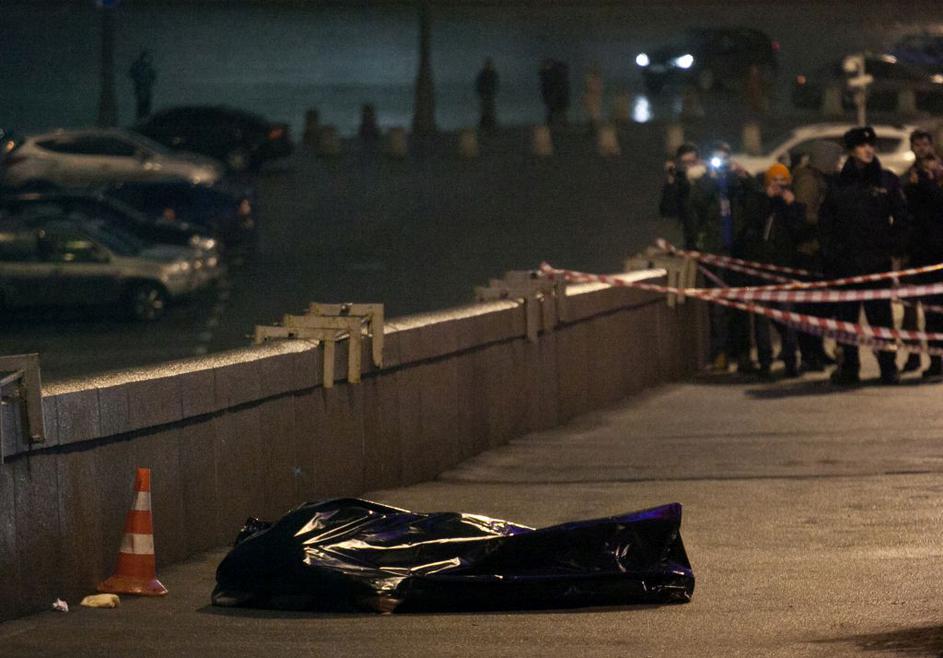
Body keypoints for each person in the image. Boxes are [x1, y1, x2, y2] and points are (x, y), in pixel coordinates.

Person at [819, 126, 911, 385]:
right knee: (847, 320)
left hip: (876, 263)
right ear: (851, 150)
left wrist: (893, 248)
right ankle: (849, 367)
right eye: (862, 146)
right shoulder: (838, 183)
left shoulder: (886, 180)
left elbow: (902, 219)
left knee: (881, 318)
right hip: (846, 264)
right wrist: (832, 255)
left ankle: (888, 366)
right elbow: (827, 223)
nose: (868, 150)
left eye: (871, 145)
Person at [688, 141, 760, 373]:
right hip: (715, 251)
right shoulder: (705, 183)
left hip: (738, 251)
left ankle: (743, 355)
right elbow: (695, 203)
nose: (721, 164)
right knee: (718, 308)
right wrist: (711, 177)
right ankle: (720, 354)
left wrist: (743, 176)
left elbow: (757, 197)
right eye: (717, 159)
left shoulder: (737, 182)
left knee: (740, 305)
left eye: (725, 159)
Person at [739, 163, 805, 378]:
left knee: (787, 316)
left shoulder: (792, 204)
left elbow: (799, 231)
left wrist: (791, 205)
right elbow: (751, 224)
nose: (778, 185)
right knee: (761, 317)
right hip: (760, 268)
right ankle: (765, 361)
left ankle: (790, 360)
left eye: (782, 181)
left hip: (784, 268)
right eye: (774, 181)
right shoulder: (758, 201)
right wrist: (766, 199)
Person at [791, 140, 843, 372]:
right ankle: (809, 353)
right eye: (836, 159)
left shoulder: (821, 179)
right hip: (809, 251)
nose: (839, 164)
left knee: (821, 306)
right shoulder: (808, 181)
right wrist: (828, 220)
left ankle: (816, 349)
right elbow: (803, 214)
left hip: (819, 249)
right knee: (811, 306)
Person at [903, 128, 943, 381]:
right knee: (927, 311)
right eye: (917, 145)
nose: (921, 149)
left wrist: (926, 183)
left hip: (938, 251)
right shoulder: (911, 177)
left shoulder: (938, 174)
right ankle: (933, 360)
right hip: (921, 252)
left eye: (925, 144)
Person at [659, 143, 701, 250]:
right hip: (690, 237)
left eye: (692, 162)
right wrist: (671, 179)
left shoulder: (707, 178)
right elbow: (667, 210)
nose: (689, 166)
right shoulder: (679, 181)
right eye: (685, 162)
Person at [129, 50, 157, 120]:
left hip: (146, 89)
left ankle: (145, 118)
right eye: (146, 58)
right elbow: (132, 74)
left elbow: (153, 76)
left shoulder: (148, 68)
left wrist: (150, 80)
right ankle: (142, 119)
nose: (148, 60)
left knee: (146, 105)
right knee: (141, 106)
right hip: (141, 88)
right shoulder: (138, 66)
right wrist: (140, 81)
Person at [475, 58, 499, 131]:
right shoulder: (484, 74)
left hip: (489, 94)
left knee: (490, 109)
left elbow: (495, 83)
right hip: (485, 94)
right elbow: (479, 84)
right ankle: (485, 124)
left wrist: (493, 91)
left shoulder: (491, 74)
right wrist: (481, 92)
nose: (488, 66)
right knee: (485, 109)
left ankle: (490, 124)